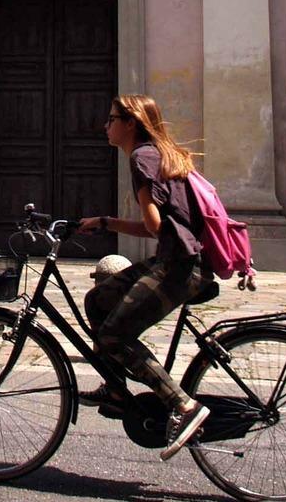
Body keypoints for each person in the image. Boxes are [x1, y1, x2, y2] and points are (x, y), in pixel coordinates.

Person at [76, 94, 212, 461]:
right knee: (98, 300)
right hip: (176, 260)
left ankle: (184, 406)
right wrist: (106, 223)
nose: (106, 126)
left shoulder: (142, 158)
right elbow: (159, 227)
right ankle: (117, 390)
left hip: (180, 266)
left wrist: (145, 202)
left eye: (111, 119)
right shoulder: (158, 154)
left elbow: (154, 224)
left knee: (114, 335)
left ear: (130, 123)